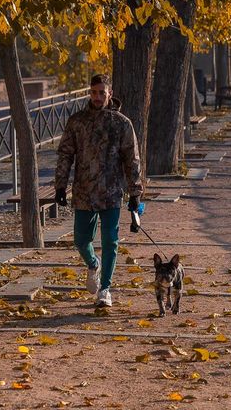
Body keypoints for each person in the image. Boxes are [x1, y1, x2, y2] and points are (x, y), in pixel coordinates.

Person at [54, 74, 143, 307]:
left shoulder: (122, 123)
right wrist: (60, 185)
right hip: (83, 191)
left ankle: (105, 289)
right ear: (89, 93)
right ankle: (93, 264)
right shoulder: (77, 122)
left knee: (111, 241)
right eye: (94, 92)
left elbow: (131, 159)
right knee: (81, 241)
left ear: (109, 94)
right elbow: (65, 154)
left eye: (102, 92)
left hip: (112, 191)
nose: (97, 97)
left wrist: (135, 192)